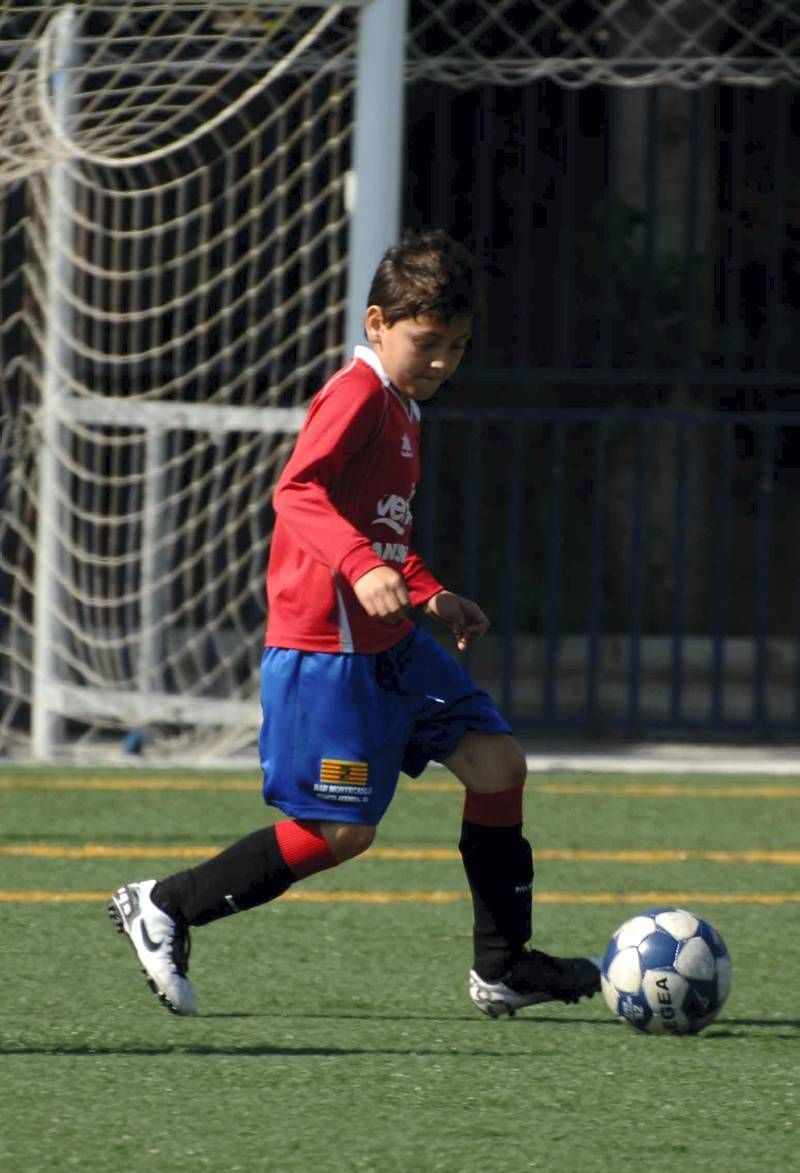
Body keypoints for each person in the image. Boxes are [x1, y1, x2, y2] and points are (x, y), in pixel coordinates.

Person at [108, 229, 600, 1018]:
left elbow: (382, 533)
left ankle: (504, 966)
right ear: (377, 324)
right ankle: (163, 904)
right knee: (340, 835)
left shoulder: (404, 406)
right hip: (327, 652)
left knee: (499, 765)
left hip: (393, 645)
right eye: (427, 342)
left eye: (459, 345)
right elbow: (299, 492)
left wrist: (428, 589)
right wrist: (364, 569)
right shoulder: (358, 393)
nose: (443, 361)